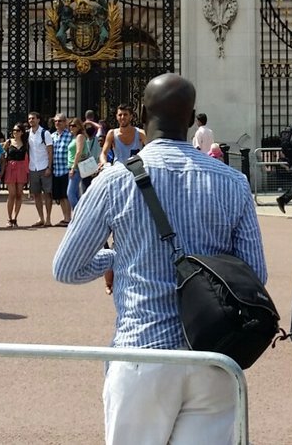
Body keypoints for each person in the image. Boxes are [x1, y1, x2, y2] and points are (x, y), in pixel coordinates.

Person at [52, 73, 266, 445]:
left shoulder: (114, 180)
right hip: (213, 355)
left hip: (143, 350)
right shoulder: (234, 182)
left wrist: (118, 258)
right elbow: (255, 273)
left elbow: (67, 267)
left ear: (142, 115)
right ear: (191, 117)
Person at [24, 111, 53, 228]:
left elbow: (50, 151)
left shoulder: (45, 133)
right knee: (36, 194)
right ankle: (41, 218)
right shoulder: (27, 134)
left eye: (33, 118)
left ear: (38, 120)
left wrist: (49, 167)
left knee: (47, 193)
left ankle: (48, 218)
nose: (31, 121)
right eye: (30, 119)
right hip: (33, 167)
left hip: (43, 166)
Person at [2, 123, 30, 228]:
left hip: (21, 168)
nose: (15, 132)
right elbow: (2, 154)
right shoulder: (9, 142)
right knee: (11, 194)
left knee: (19, 194)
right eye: (14, 130)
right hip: (11, 167)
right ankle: (9, 218)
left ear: (22, 132)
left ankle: (15, 217)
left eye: (17, 130)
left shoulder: (25, 143)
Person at [49, 113, 74, 226]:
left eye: (60, 121)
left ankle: (69, 218)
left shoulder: (70, 136)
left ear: (65, 122)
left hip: (66, 169)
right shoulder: (52, 136)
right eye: (56, 121)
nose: (57, 123)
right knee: (60, 196)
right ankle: (65, 217)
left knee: (66, 195)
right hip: (56, 169)